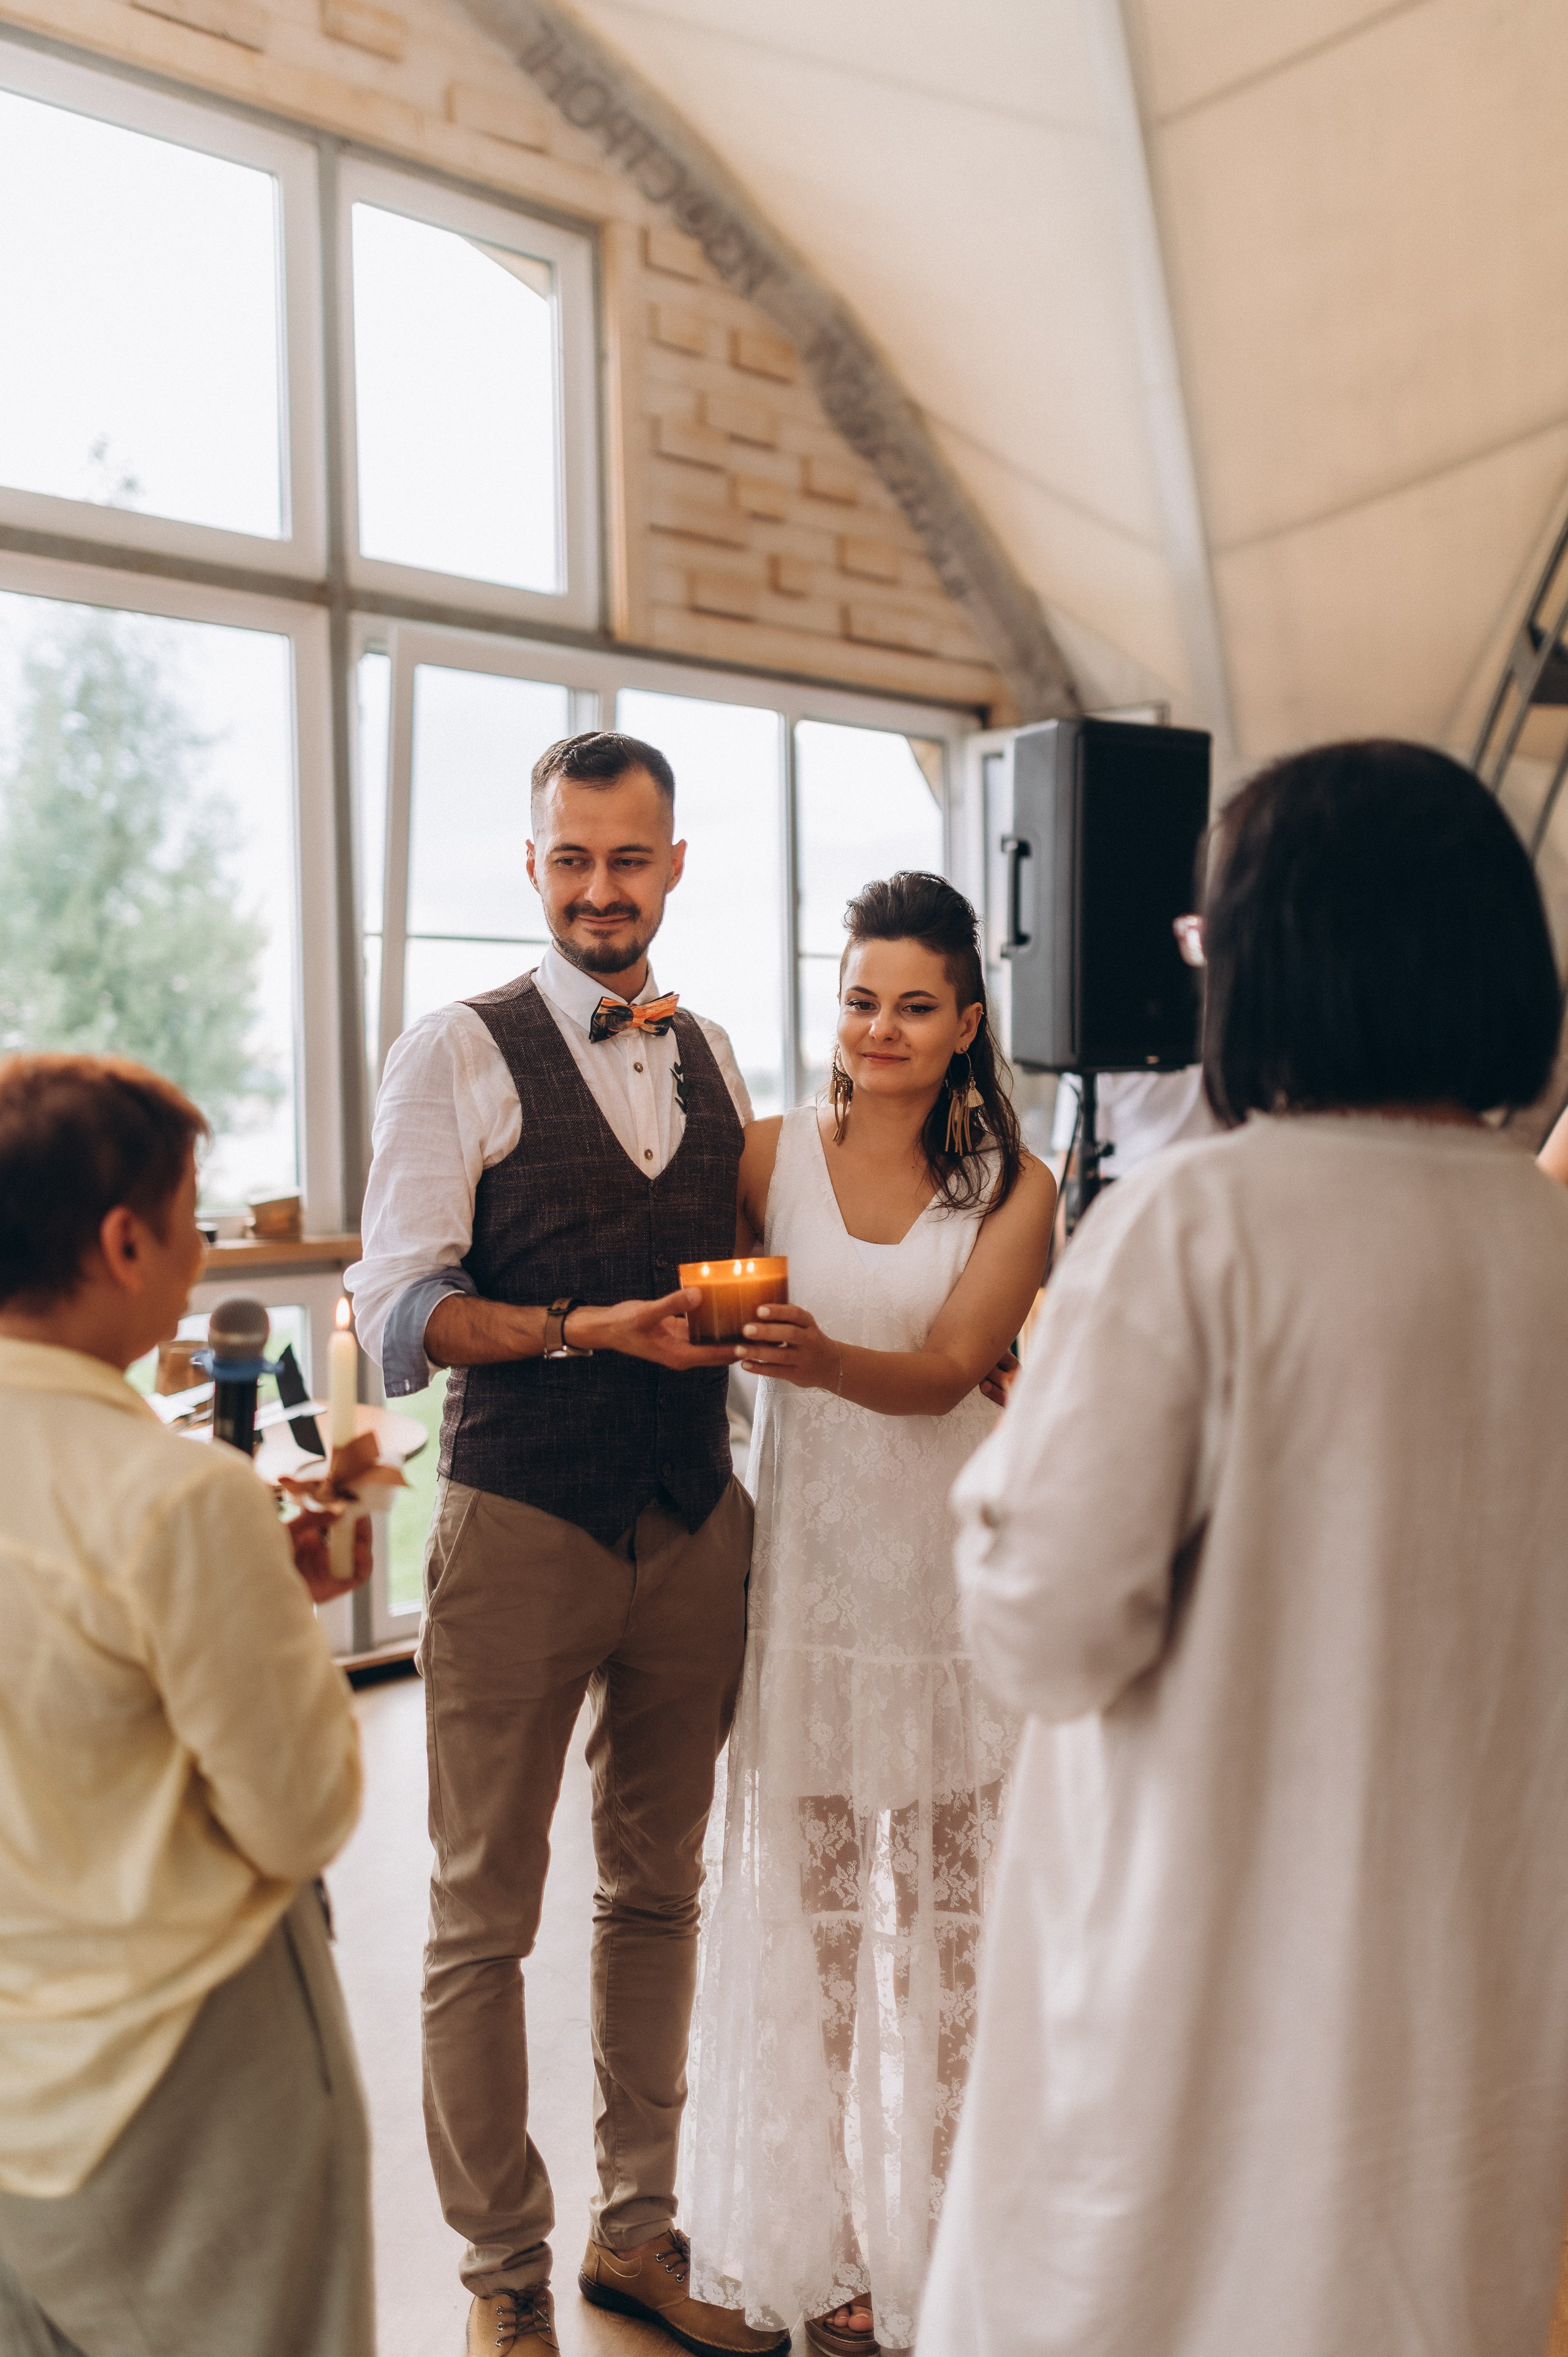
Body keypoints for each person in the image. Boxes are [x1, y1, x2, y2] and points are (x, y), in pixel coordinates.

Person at [918, 741, 1568, 2357]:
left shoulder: (1199, 1225)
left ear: (1272, 959)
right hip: (1470, 2003)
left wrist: (1027, 1426)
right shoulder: (1545, 1239)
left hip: (1202, 1993)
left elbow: (1047, 1634)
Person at [347, 731, 788, 2357]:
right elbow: (395, 1315)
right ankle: (500, 2281)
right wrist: (574, 1327)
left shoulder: (717, 1051)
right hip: (525, 1519)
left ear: (675, 866)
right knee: (483, 1914)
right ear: (534, 868)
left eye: (630, 858)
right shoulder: (453, 1052)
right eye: (571, 858)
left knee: (658, 1892)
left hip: (693, 1524)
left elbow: (744, 1249)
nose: (602, 888)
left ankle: (639, 2233)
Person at [686, 873, 1057, 2356]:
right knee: (820, 1936)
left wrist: (822, 1359)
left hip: (948, 1590)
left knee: (953, 1939)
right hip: (809, 1595)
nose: (881, 1028)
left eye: (914, 1005)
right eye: (858, 998)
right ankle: (825, 2236)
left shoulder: (1013, 1190)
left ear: (965, 1023)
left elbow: (961, 1357)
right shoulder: (763, 1154)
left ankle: (961, 2231)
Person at [0, 1053, 373, 2357]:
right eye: (193, 1222)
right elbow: (298, 1815)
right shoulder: (178, 1497)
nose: (201, 1261)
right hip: (183, 2070)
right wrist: (279, 1627)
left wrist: (255, 1605)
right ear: (122, 1240)